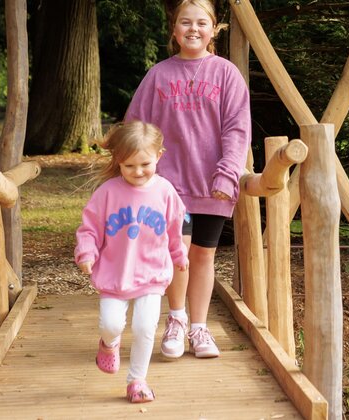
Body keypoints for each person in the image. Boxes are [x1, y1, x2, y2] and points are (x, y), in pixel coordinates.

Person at [125, 0, 251, 359]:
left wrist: (228, 173)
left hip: (213, 184)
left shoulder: (226, 74)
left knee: (204, 256)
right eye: (185, 22)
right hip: (168, 187)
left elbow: (237, 129)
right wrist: (139, 171)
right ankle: (176, 321)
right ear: (174, 30)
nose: (193, 29)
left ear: (214, 30)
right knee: (177, 255)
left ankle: (199, 327)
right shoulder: (158, 75)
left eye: (201, 23)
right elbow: (136, 127)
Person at [74, 121, 189, 403]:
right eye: (129, 166)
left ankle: (137, 381)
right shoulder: (107, 193)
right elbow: (88, 229)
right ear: (118, 162)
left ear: (159, 155)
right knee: (112, 324)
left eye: (145, 164)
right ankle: (108, 343)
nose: (138, 172)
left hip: (152, 274)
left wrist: (178, 254)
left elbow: (176, 228)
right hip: (115, 275)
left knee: (144, 327)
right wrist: (86, 253)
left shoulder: (165, 192)